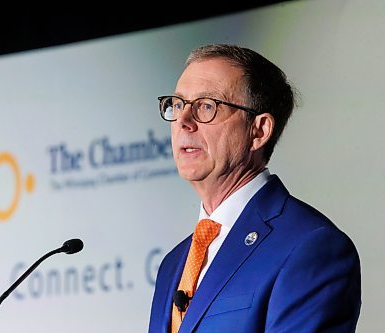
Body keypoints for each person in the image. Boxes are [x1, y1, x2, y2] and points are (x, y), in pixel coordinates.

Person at [148, 44, 361, 332]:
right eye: (177, 104)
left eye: (206, 106)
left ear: (258, 131)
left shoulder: (311, 247)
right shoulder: (174, 264)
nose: (183, 121)